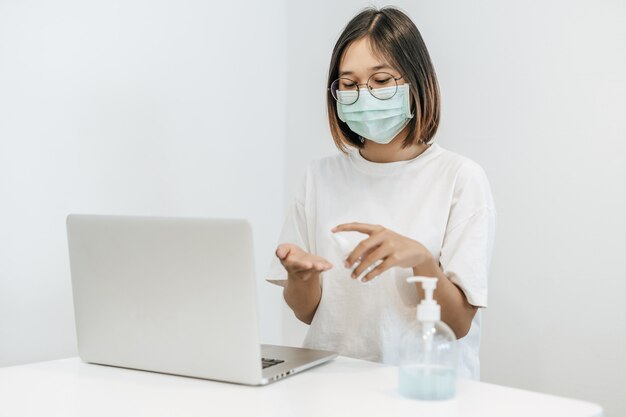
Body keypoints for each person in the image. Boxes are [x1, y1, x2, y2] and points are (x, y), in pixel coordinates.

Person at [265, 6, 496, 380]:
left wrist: (421, 260)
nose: (364, 95)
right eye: (350, 84)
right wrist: (302, 277)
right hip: (330, 384)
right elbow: (308, 313)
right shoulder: (319, 176)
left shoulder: (460, 178)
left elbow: (458, 324)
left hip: (423, 388)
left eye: (382, 80)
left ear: (417, 82)